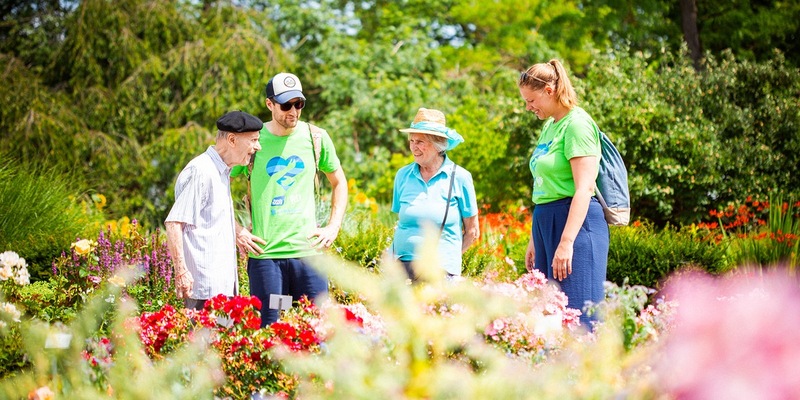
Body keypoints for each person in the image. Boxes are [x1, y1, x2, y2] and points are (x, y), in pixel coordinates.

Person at [233, 72, 348, 327]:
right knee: (272, 330)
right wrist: (237, 230)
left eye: (299, 104)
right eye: (286, 105)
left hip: (309, 257)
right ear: (269, 104)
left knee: (316, 330)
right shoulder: (253, 140)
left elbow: (339, 182)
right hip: (267, 259)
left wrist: (333, 226)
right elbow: (219, 187)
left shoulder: (315, 138)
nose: (293, 112)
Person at [518, 59, 609, 328]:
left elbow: (585, 188)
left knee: (579, 315)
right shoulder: (550, 125)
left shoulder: (577, 125)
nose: (528, 107)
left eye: (531, 100)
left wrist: (566, 242)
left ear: (549, 91)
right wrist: (535, 238)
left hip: (575, 225)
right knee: (550, 318)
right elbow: (544, 186)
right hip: (546, 221)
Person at [165, 110, 263, 310]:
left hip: (220, 289)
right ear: (232, 140)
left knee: (221, 340)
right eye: (253, 140)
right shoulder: (202, 171)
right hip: (203, 291)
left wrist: (237, 233)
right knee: (202, 341)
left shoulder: (221, 171)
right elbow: (174, 222)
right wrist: (181, 272)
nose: (257, 147)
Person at [390, 107, 480, 281]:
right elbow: (401, 221)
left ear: (438, 144)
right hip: (402, 268)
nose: (413, 147)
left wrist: (449, 259)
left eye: (420, 142)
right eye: (412, 141)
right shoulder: (403, 175)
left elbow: (472, 231)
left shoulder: (459, 177)